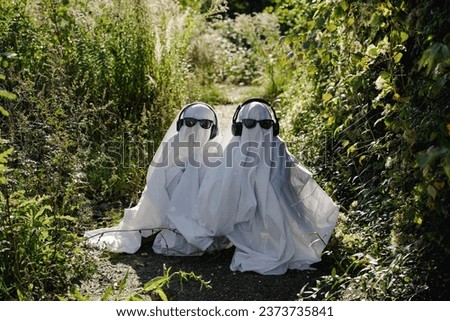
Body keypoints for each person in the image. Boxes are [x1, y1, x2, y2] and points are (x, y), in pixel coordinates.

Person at [193, 98, 339, 275]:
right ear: (239, 127)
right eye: (249, 123)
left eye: (264, 124)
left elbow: (289, 183)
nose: (257, 130)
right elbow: (223, 192)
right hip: (243, 217)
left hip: (276, 210)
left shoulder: (277, 147)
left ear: (273, 126)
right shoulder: (233, 150)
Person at [84, 102, 230, 255]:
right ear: (181, 124)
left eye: (205, 124)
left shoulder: (217, 155)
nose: (197, 129)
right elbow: (155, 194)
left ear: (213, 129)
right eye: (190, 123)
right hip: (166, 216)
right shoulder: (171, 149)